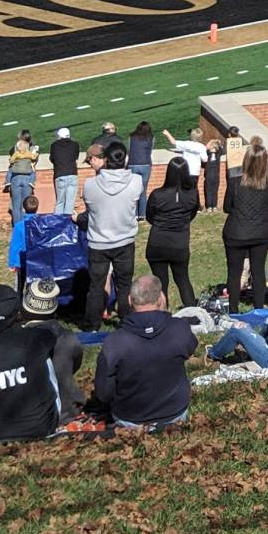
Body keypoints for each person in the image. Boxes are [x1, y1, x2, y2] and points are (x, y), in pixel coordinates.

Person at [0, 283, 79, 442]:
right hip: (43, 426)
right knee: (44, 355)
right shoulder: (37, 338)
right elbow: (54, 335)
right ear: (17, 312)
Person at [88, 276, 197, 429]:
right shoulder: (179, 328)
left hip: (130, 419)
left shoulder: (115, 341)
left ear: (129, 300)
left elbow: (103, 393)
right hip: (175, 414)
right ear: (162, 298)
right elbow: (191, 349)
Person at [81, 147, 144, 328]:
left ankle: (92, 325)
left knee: (96, 286)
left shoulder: (90, 185)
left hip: (99, 242)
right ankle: (126, 322)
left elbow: (90, 207)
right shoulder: (136, 181)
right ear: (125, 160)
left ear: (106, 160)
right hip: (124, 240)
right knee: (124, 285)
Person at [224, 142, 268, 308]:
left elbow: (227, 207)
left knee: (234, 272)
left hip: (237, 232)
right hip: (261, 231)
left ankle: (233, 309)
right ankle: (258, 307)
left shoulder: (235, 182)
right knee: (258, 269)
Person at [142, 159, 199, 307]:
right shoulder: (192, 194)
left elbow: (149, 216)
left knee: (161, 283)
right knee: (183, 280)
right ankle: (193, 312)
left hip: (157, 242)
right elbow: (192, 214)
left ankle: (162, 315)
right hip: (179, 244)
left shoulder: (157, 195)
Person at [49, 126, 82, 215]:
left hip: (60, 174)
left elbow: (52, 159)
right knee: (70, 203)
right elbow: (76, 156)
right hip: (72, 174)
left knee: (60, 202)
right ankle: (67, 224)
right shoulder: (75, 144)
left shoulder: (54, 145)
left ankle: (58, 224)